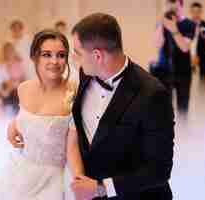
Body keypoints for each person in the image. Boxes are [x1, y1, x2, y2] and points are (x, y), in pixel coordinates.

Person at [10, 13, 175, 200]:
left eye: (78, 53)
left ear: (97, 56)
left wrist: (102, 187)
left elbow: (159, 170)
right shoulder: (84, 75)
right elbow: (52, 102)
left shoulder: (153, 94)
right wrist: (20, 122)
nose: (73, 59)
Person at [0, 29, 79, 200]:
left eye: (60, 55)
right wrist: (16, 123)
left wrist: (80, 178)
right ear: (34, 58)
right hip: (24, 169)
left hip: (57, 175)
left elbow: (73, 143)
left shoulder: (73, 89)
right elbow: (30, 117)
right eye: (46, 54)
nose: (54, 61)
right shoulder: (25, 89)